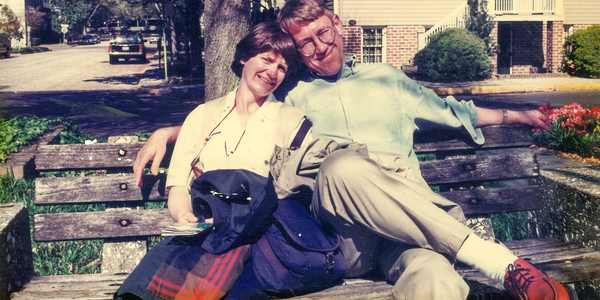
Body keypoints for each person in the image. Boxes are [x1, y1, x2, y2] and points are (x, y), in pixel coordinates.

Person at [133, 1, 570, 299]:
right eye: (305, 45)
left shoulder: (389, 80)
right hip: (343, 236)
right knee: (344, 166)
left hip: (409, 231)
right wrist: (173, 132)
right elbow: (242, 113)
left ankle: (503, 272)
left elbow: (455, 112)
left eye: (323, 33)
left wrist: (520, 117)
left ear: (338, 26)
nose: (320, 47)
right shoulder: (293, 96)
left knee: (439, 282)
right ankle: (498, 262)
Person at [115, 22, 311, 300]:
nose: (272, 73)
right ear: (244, 57)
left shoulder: (289, 119)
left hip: (257, 239)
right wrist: (184, 217)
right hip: (202, 231)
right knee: (144, 291)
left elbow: (300, 189)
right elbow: (179, 187)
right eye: (267, 60)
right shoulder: (202, 116)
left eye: (282, 68)